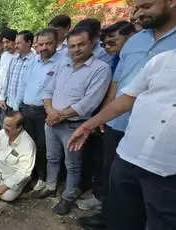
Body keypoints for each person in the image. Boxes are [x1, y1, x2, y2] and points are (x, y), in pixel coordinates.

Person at [78, 0, 176, 227]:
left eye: (146, 6)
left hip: (166, 157)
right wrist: (99, 117)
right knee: (119, 196)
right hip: (124, 131)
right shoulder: (138, 44)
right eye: (136, 7)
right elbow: (121, 83)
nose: (138, 13)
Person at [36, 27, 111, 215]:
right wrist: (50, 111)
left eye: (80, 45)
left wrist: (59, 115)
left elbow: (88, 103)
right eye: (72, 46)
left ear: (91, 43)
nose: (76, 49)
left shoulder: (100, 69)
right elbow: (47, 90)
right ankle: (51, 186)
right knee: (52, 158)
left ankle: (68, 196)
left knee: (73, 165)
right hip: (52, 122)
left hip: (74, 126)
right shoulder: (63, 65)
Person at [75, 21, 136, 213]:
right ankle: (104, 206)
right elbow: (113, 93)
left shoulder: (106, 64)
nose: (108, 47)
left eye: (112, 41)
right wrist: (101, 119)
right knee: (106, 165)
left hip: (131, 125)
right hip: (111, 122)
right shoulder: (120, 60)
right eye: (105, 43)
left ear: (131, 37)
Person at [16, 28, 63, 194]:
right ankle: (32, 176)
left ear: (56, 43)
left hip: (45, 112)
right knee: (29, 146)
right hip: (27, 110)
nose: (43, 48)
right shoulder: (34, 61)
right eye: (41, 44)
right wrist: (18, 107)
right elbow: (23, 84)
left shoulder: (63, 62)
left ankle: (44, 179)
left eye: (48, 44)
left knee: (45, 148)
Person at [0, 111, 36, 201]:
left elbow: (23, 172)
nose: (4, 127)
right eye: (4, 124)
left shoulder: (28, 145)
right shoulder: (2, 133)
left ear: (19, 127)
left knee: (8, 196)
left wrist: (3, 187)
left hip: (13, 176)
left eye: (8, 126)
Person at [0, 30, 36, 112]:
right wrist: (1, 97)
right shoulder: (14, 60)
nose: (16, 46)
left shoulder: (35, 61)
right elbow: (5, 79)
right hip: (8, 104)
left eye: (18, 43)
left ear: (29, 42)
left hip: (23, 107)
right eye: (16, 43)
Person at [0, 28, 18, 96]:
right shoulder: (4, 56)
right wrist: (0, 96)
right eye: (3, 43)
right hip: (3, 96)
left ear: (15, 41)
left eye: (7, 42)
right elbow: (1, 77)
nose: (5, 45)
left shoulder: (21, 56)